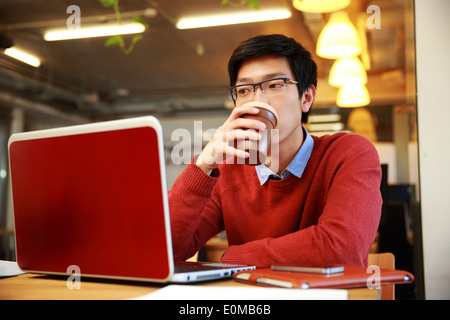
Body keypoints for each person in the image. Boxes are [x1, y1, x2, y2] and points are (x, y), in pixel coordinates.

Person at [168, 34, 382, 268]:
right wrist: (203, 165)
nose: (258, 101)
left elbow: (341, 249)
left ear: (306, 98)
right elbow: (169, 249)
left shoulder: (349, 154)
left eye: (274, 85)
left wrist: (235, 258)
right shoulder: (229, 169)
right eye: (244, 90)